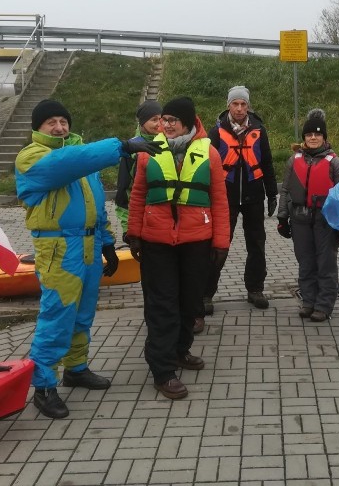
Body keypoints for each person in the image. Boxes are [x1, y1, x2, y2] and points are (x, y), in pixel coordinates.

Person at [15, 99, 162, 419]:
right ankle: (42, 385)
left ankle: (76, 368)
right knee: (57, 316)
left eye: (63, 121)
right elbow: (63, 163)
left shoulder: (81, 161)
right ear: (37, 129)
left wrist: (108, 243)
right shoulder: (32, 157)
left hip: (90, 246)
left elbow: (95, 205)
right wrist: (121, 146)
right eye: (51, 123)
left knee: (82, 314)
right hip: (58, 250)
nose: (59, 127)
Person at [125, 96, 230, 400]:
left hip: (196, 240)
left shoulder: (208, 153)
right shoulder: (148, 152)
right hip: (157, 241)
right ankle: (162, 369)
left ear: (187, 122)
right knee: (162, 305)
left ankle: (180, 350)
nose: (165, 125)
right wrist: (134, 233)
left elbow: (220, 201)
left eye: (172, 120)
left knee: (190, 303)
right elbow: (138, 194)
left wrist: (221, 242)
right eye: (163, 120)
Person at [205, 85, 277, 311]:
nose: (239, 108)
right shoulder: (215, 132)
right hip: (225, 197)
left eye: (243, 104)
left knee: (256, 245)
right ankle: (206, 294)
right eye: (235, 104)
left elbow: (266, 162)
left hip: (254, 195)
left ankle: (255, 289)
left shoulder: (259, 130)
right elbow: (206, 166)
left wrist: (272, 192)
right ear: (228, 105)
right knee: (219, 245)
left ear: (248, 106)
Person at [276, 109, 339, 322]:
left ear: (324, 137)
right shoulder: (293, 160)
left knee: (325, 263)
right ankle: (308, 301)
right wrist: (282, 218)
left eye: (318, 134)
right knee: (305, 262)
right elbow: (286, 190)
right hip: (299, 218)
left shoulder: (334, 163)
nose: (313, 138)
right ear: (304, 138)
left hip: (325, 220)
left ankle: (324, 305)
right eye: (309, 135)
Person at [115, 100, 163, 239]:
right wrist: (126, 228)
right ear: (142, 123)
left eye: (161, 119)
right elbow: (123, 191)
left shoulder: (169, 143)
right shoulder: (131, 149)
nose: (159, 124)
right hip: (141, 219)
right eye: (154, 119)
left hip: (163, 220)